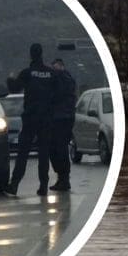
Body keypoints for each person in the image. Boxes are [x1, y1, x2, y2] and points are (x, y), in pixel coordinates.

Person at [6, 43, 55, 196]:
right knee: (44, 153)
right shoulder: (51, 73)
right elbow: (59, 92)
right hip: (46, 118)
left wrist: (10, 78)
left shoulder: (27, 73)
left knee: (23, 153)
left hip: (31, 118)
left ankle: (14, 185)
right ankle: (44, 186)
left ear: (31, 55)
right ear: (42, 54)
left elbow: (14, 88)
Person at [49, 58, 77, 191]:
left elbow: (56, 95)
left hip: (59, 118)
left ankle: (63, 178)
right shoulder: (69, 79)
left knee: (58, 149)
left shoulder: (62, 78)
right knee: (60, 149)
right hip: (66, 117)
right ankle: (63, 178)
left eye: (55, 68)